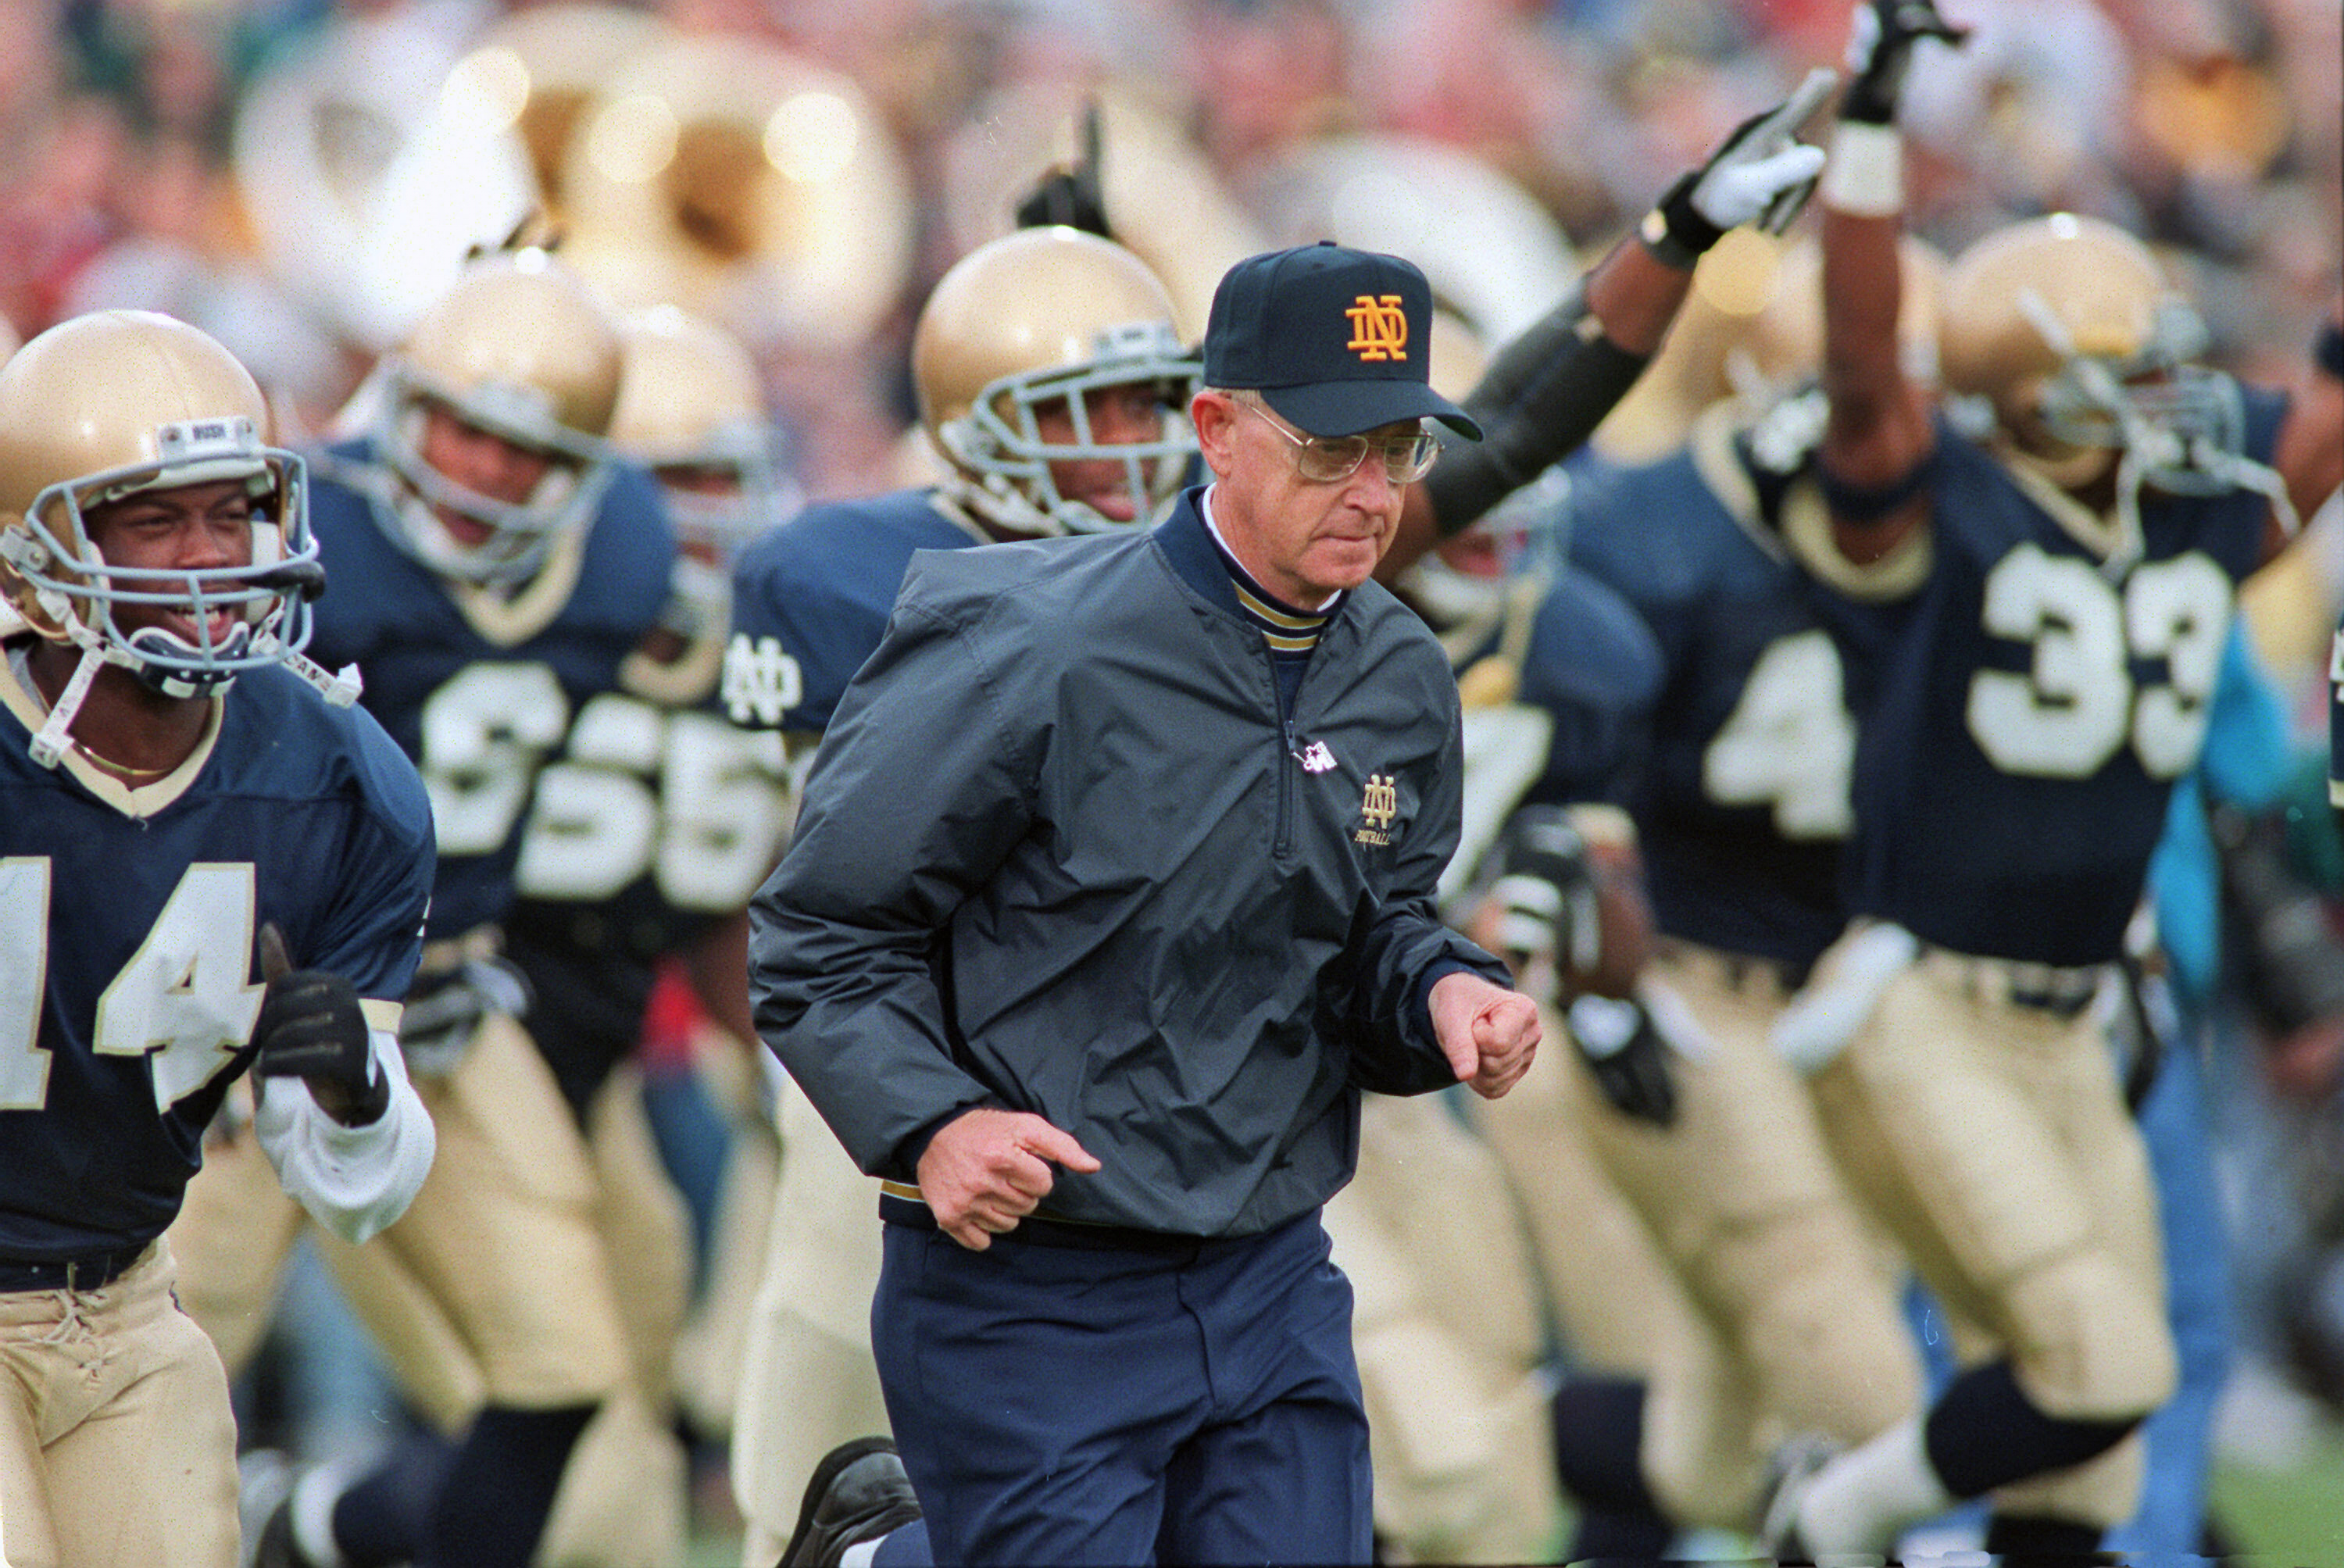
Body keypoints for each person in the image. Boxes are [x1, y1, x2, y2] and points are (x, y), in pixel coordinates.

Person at [749, 241, 1540, 1566]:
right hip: (1034, 1283)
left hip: (1270, 1265)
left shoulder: (1401, 672)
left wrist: (1443, 989)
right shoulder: (1029, 639)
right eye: (1329, 450)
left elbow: (1369, 937)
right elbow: (822, 931)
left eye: (1397, 450)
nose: (1371, 494)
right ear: (1216, 431)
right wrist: (933, 1124)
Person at [1755, 0, 2344, 1556]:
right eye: (2131, 373)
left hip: (2084, 1016)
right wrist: (1869, 125)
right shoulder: (1938, 503)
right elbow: (1866, 361)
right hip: (1923, 1004)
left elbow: (2324, 419)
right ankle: (1832, 1518)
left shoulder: (2189, 506)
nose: (2171, 399)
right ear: (2034, 388)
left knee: (2088, 1472)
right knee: (2101, 1364)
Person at [177, 248, 685, 1568]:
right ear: (402, 405)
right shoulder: (304, 539)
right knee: (166, 1348)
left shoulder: (624, 545)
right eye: (460, 427)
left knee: (566, 1370)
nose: (482, 470)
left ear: (582, 468)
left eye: (524, 448)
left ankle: (318, 1532)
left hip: (446, 991)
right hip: (238, 1000)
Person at [720, 222, 1206, 1567]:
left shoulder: (1203, 575)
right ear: (971, 418)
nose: (1125, 446)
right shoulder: (838, 572)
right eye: (1080, 410)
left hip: (1122, 1070)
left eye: (1146, 404)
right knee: (821, 1447)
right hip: (889, 1058)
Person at [0, 309, 436, 1568]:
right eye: (154, 523)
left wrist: (355, 1093)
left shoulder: (338, 779)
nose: (207, 561)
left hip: (128, 1306)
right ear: (38, 552)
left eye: (231, 514)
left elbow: (350, 1197)